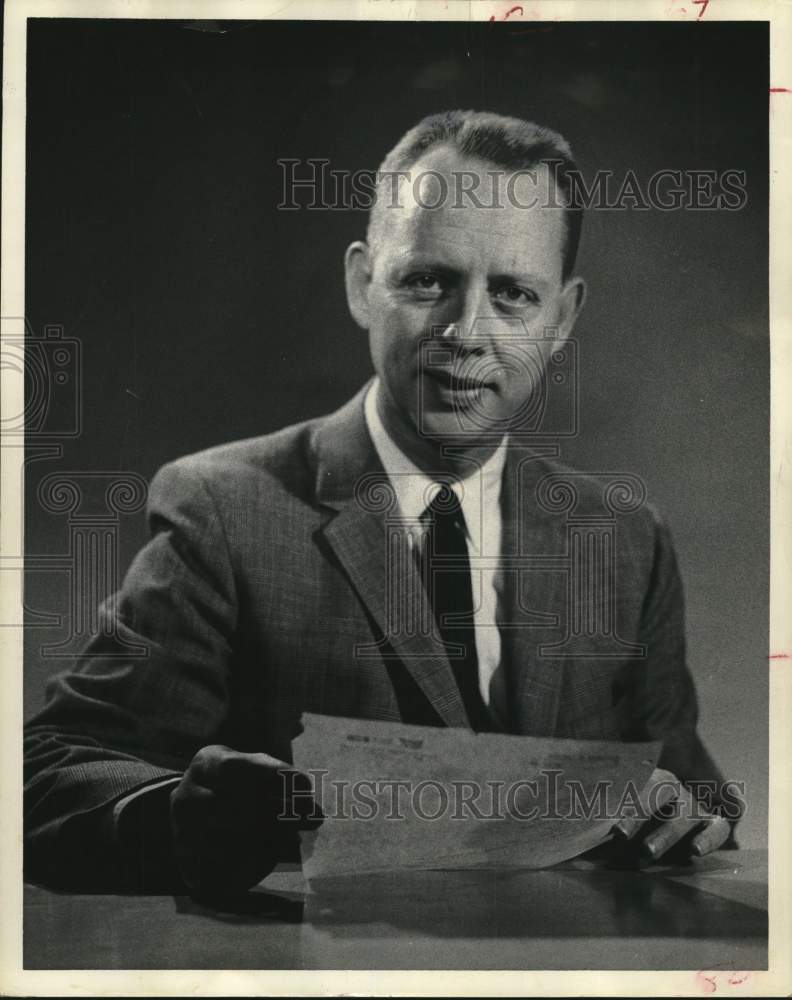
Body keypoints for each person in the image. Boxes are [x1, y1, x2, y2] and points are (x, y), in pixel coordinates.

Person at [24, 110, 737, 897]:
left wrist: (692, 811)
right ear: (363, 284)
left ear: (562, 317)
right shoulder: (222, 511)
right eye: (428, 281)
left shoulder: (625, 540)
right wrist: (178, 814)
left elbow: (692, 787)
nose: (466, 334)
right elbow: (49, 773)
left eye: (513, 295)